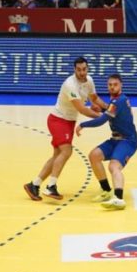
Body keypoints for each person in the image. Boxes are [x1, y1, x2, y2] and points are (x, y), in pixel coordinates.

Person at [25, 57, 104, 202]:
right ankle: (51, 186)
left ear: (87, 69)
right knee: (67, 151)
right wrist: (102, 117)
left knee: (57, 156)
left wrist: (109, 109)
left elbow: (95, 99)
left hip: (69, 122)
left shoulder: (89, 81)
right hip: (58, 120)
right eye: (78, 70)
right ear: (74, 70)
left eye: (84, 69)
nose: (81, 72)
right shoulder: (70, 85)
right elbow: (81, 109)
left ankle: (34, 184)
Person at [77, 74, 137, 211]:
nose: (112, 87)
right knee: (94, 155)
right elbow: (112, 112)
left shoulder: (119, 101)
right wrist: (103, 109)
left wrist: (83, 124)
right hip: (115, 139)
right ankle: (106, 191)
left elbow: (101, 121)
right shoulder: (116, 101)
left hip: (128, 141)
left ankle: (118, 198)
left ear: (121, 85)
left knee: (114, 166)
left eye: (115, 84)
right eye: (110, 84)